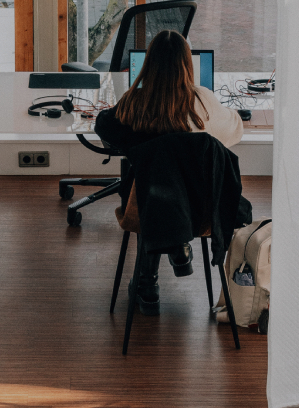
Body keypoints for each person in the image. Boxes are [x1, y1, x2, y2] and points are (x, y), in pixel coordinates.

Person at [94, 29, 244, 314]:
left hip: (144, 207)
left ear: (148, 62)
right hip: (199, 210)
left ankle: (147, 285)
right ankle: (177, 247)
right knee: (165, 190)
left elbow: (104, 126)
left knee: (150, 188)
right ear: (188, 65)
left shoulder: (132, 103)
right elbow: (235, 129)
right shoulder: (203, 101)